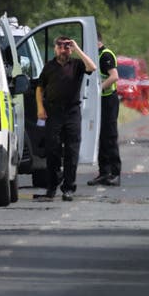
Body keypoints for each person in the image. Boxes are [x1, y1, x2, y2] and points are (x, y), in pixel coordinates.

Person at [33, 36, 97, 202]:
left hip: (72, 111)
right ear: (55, 49)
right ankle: (52, 186)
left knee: (71, 151)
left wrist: (77, 49)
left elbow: (92, 67)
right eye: (60, 47)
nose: (64, 50)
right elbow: (39, 88)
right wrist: (40, 108)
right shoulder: (49, 66)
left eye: (67, 47)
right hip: (53, 111)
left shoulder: (77, 64)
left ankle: (68, 188)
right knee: (52, 149)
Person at [88, 33, 122, 187]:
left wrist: (98, 88)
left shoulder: (105, 55)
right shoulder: (95, 56)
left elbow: (114, 76)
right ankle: (104, 172)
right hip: (100, 100)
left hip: (108, 100)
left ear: (97, 41)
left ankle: (115, 173)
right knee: (100, 136)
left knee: (110, 136)